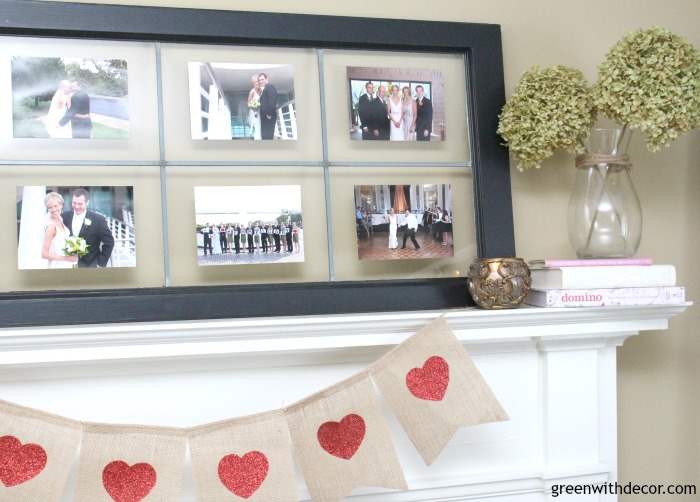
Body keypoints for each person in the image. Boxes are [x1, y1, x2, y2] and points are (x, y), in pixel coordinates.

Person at [62, 188, 114, 267]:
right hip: (67, 265)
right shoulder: (64, 217)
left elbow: (109, 242)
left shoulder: (98, 220)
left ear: (87, 203)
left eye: (80, 204)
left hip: (90, 265)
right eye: (74, 203)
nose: (76, 206)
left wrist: (100, 263)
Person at [41, 192, 78, 268]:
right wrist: (67, 258)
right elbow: (44, 254)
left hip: (66, 264)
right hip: (57, 265)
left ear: (61, 205)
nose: (53, 209)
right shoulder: (51, 226)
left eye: (55, 206)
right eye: (50, 207)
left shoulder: (60, 219)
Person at [258, 73, 278, 140]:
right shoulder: (265, 89)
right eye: (259, 80)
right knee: (265, 137)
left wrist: (269, 114)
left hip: (268, 117)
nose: (260, 81)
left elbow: (272, 101)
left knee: (267, 137)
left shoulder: (269, 87)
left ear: (267, 79)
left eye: (262, 79)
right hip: (265, 117)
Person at [247, 74, 262, 140]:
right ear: (253, 83)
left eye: (258, 81)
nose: (257, 83)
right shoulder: (252, 92)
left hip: (261, 112)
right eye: (255, 82)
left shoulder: (262, 90)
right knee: (257, 128)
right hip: (254, 112)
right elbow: (248, 103)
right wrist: (255, 109)